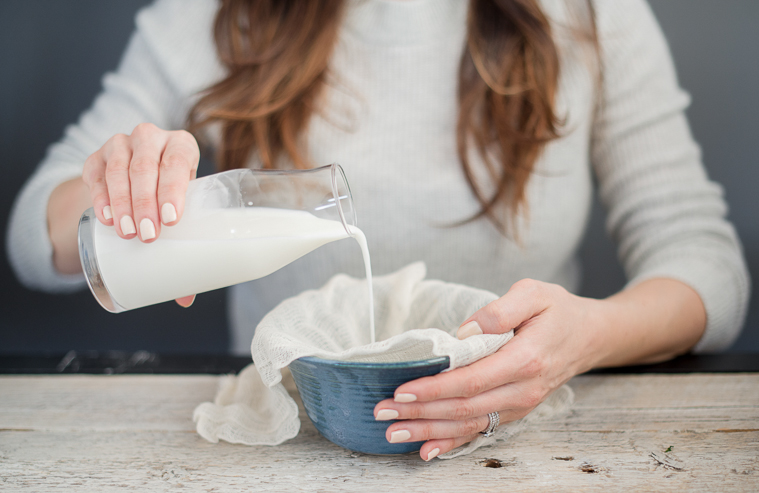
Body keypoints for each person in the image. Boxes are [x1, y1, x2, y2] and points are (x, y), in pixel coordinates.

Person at [6, 0, 750, 460]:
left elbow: (701, 256)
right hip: (286, 449)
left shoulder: (588, 14)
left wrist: (588, 336)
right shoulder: (214, 14)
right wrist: (117, 193)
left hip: (523, 449)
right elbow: (34, 231)